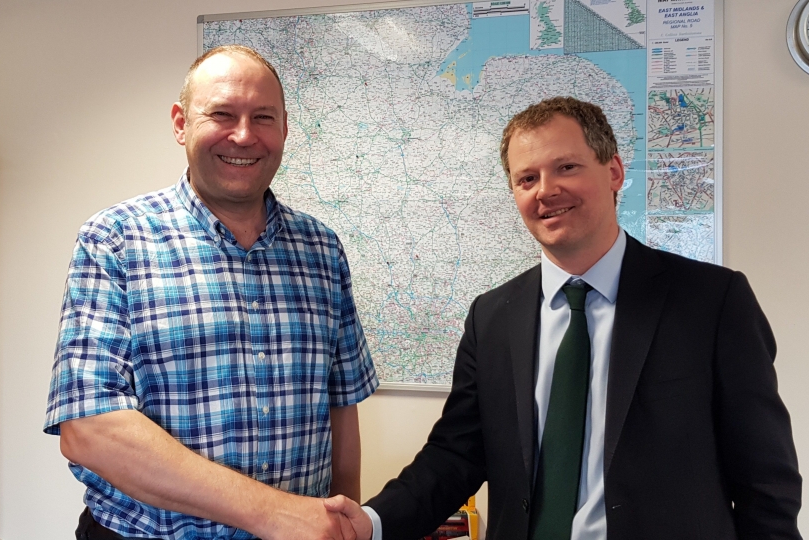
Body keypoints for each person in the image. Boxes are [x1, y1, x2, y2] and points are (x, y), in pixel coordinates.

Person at [327, 97, 802, 539]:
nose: (546, 191)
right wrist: (372, 521)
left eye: (566, 168)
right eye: (526, 178)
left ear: (613, 170)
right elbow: (456, 455)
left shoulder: (712, 301)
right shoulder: (492, 317)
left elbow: (767, 481)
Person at [44, 45, 378, 540]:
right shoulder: (114, 239)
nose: (244, 135)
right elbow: (88, 429)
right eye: (222, 113)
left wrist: (341, 518)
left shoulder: (322, 249)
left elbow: (341, 405)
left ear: (284, 128)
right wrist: (274, 513)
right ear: (181, 123)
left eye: (262, 117)